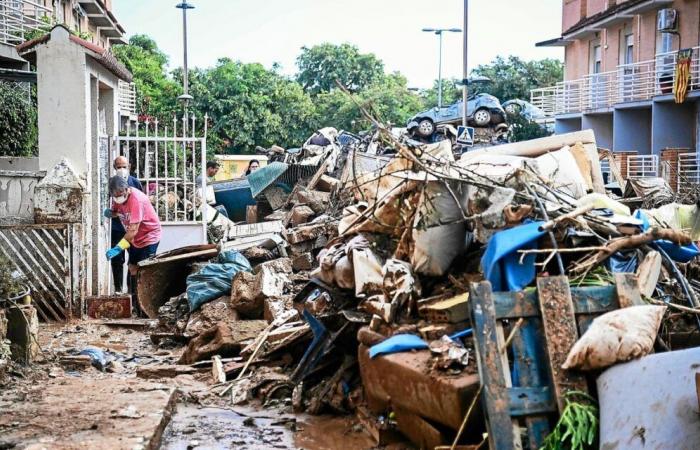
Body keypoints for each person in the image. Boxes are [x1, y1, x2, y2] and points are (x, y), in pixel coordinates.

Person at [105, 176, 161, 315]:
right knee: (132, 269)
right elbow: (116, 212)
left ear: (126, 189)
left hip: (148, 237)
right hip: (135, 239)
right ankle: (136, 307)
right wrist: (110, 213)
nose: (118, 198)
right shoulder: (118, 199)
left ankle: (146, 311)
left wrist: (117, 249)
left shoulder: (137, 199)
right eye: (115, 196)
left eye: (120, 195)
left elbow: (133, 230)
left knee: (144, 271)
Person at [107, 156, 142, 292]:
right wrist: (109, 213)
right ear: (114, 168)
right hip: (117, 228)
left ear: (129, 166)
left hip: (132, 228)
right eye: (118, 167)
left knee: (133, 261)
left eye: (124, 166)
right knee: (117, 259)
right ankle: (118, 289)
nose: (121, 169)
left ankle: (131, 292)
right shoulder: (111, 184)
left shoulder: (135, 183)